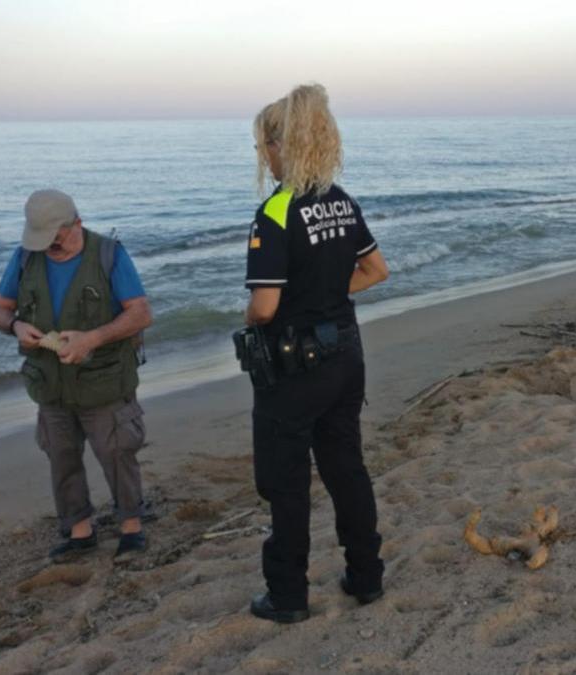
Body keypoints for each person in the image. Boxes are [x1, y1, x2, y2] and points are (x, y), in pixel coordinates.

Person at [243, 83, 390, 624]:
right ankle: (366, 576)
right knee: (346, 468)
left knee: (285, 482)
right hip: (346, 355)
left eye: (265, 145)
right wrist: (327, 295)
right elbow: (376, 271)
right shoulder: (340, 200)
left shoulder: (276, 211)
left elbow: (264, 305)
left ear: (283, 146)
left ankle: (287, 595)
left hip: (294, 367)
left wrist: (253, 317)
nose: (263, 155)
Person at [0, 189, 152, 561]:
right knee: (60, 455)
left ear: (76, 224)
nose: (49, 248)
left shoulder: (109, 254)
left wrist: (92, 338)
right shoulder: (25, 258)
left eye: (56, 240)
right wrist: (14, 326)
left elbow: (140, 312)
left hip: (104, 381)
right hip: (49, 385)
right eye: (41, 241)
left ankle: (131, 525)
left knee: (117, 452)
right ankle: (79, 530)